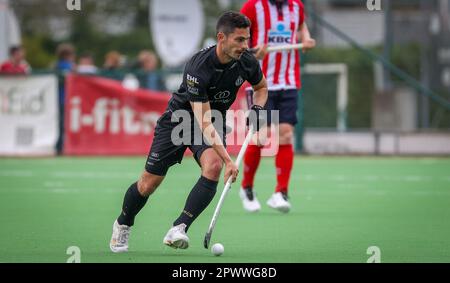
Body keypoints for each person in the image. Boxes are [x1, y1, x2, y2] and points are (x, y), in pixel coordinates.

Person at [110, 11, 268, 252]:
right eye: (239, 40)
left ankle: (179, 227)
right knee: (148, 184)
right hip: (179, 119)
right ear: (221, 37)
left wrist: (257, 108)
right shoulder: (198, 66)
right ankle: (123, 223)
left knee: (213, 167)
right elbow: (202, 120)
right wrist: (229, 160)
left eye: (247, 39)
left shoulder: (246, 61)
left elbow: (261, 87)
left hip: (212, 119)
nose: (244, 45)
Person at [239, 0, 316, 213]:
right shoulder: (252, 7)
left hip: (288, 82)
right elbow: (236, 41)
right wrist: (253, 52)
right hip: (259, 84)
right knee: (260, 136)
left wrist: (306, 38)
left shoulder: (296, 6)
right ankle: (246, 188)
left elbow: (300, 26)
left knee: (286, 134)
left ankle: (280, 192)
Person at [55, 43, 76, 155]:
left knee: (61, 125)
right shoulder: (67, 66)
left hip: (60, 99)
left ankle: (60, 147)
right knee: (63, 125)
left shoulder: (56, 65)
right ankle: (60, 148)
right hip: (64, 99)